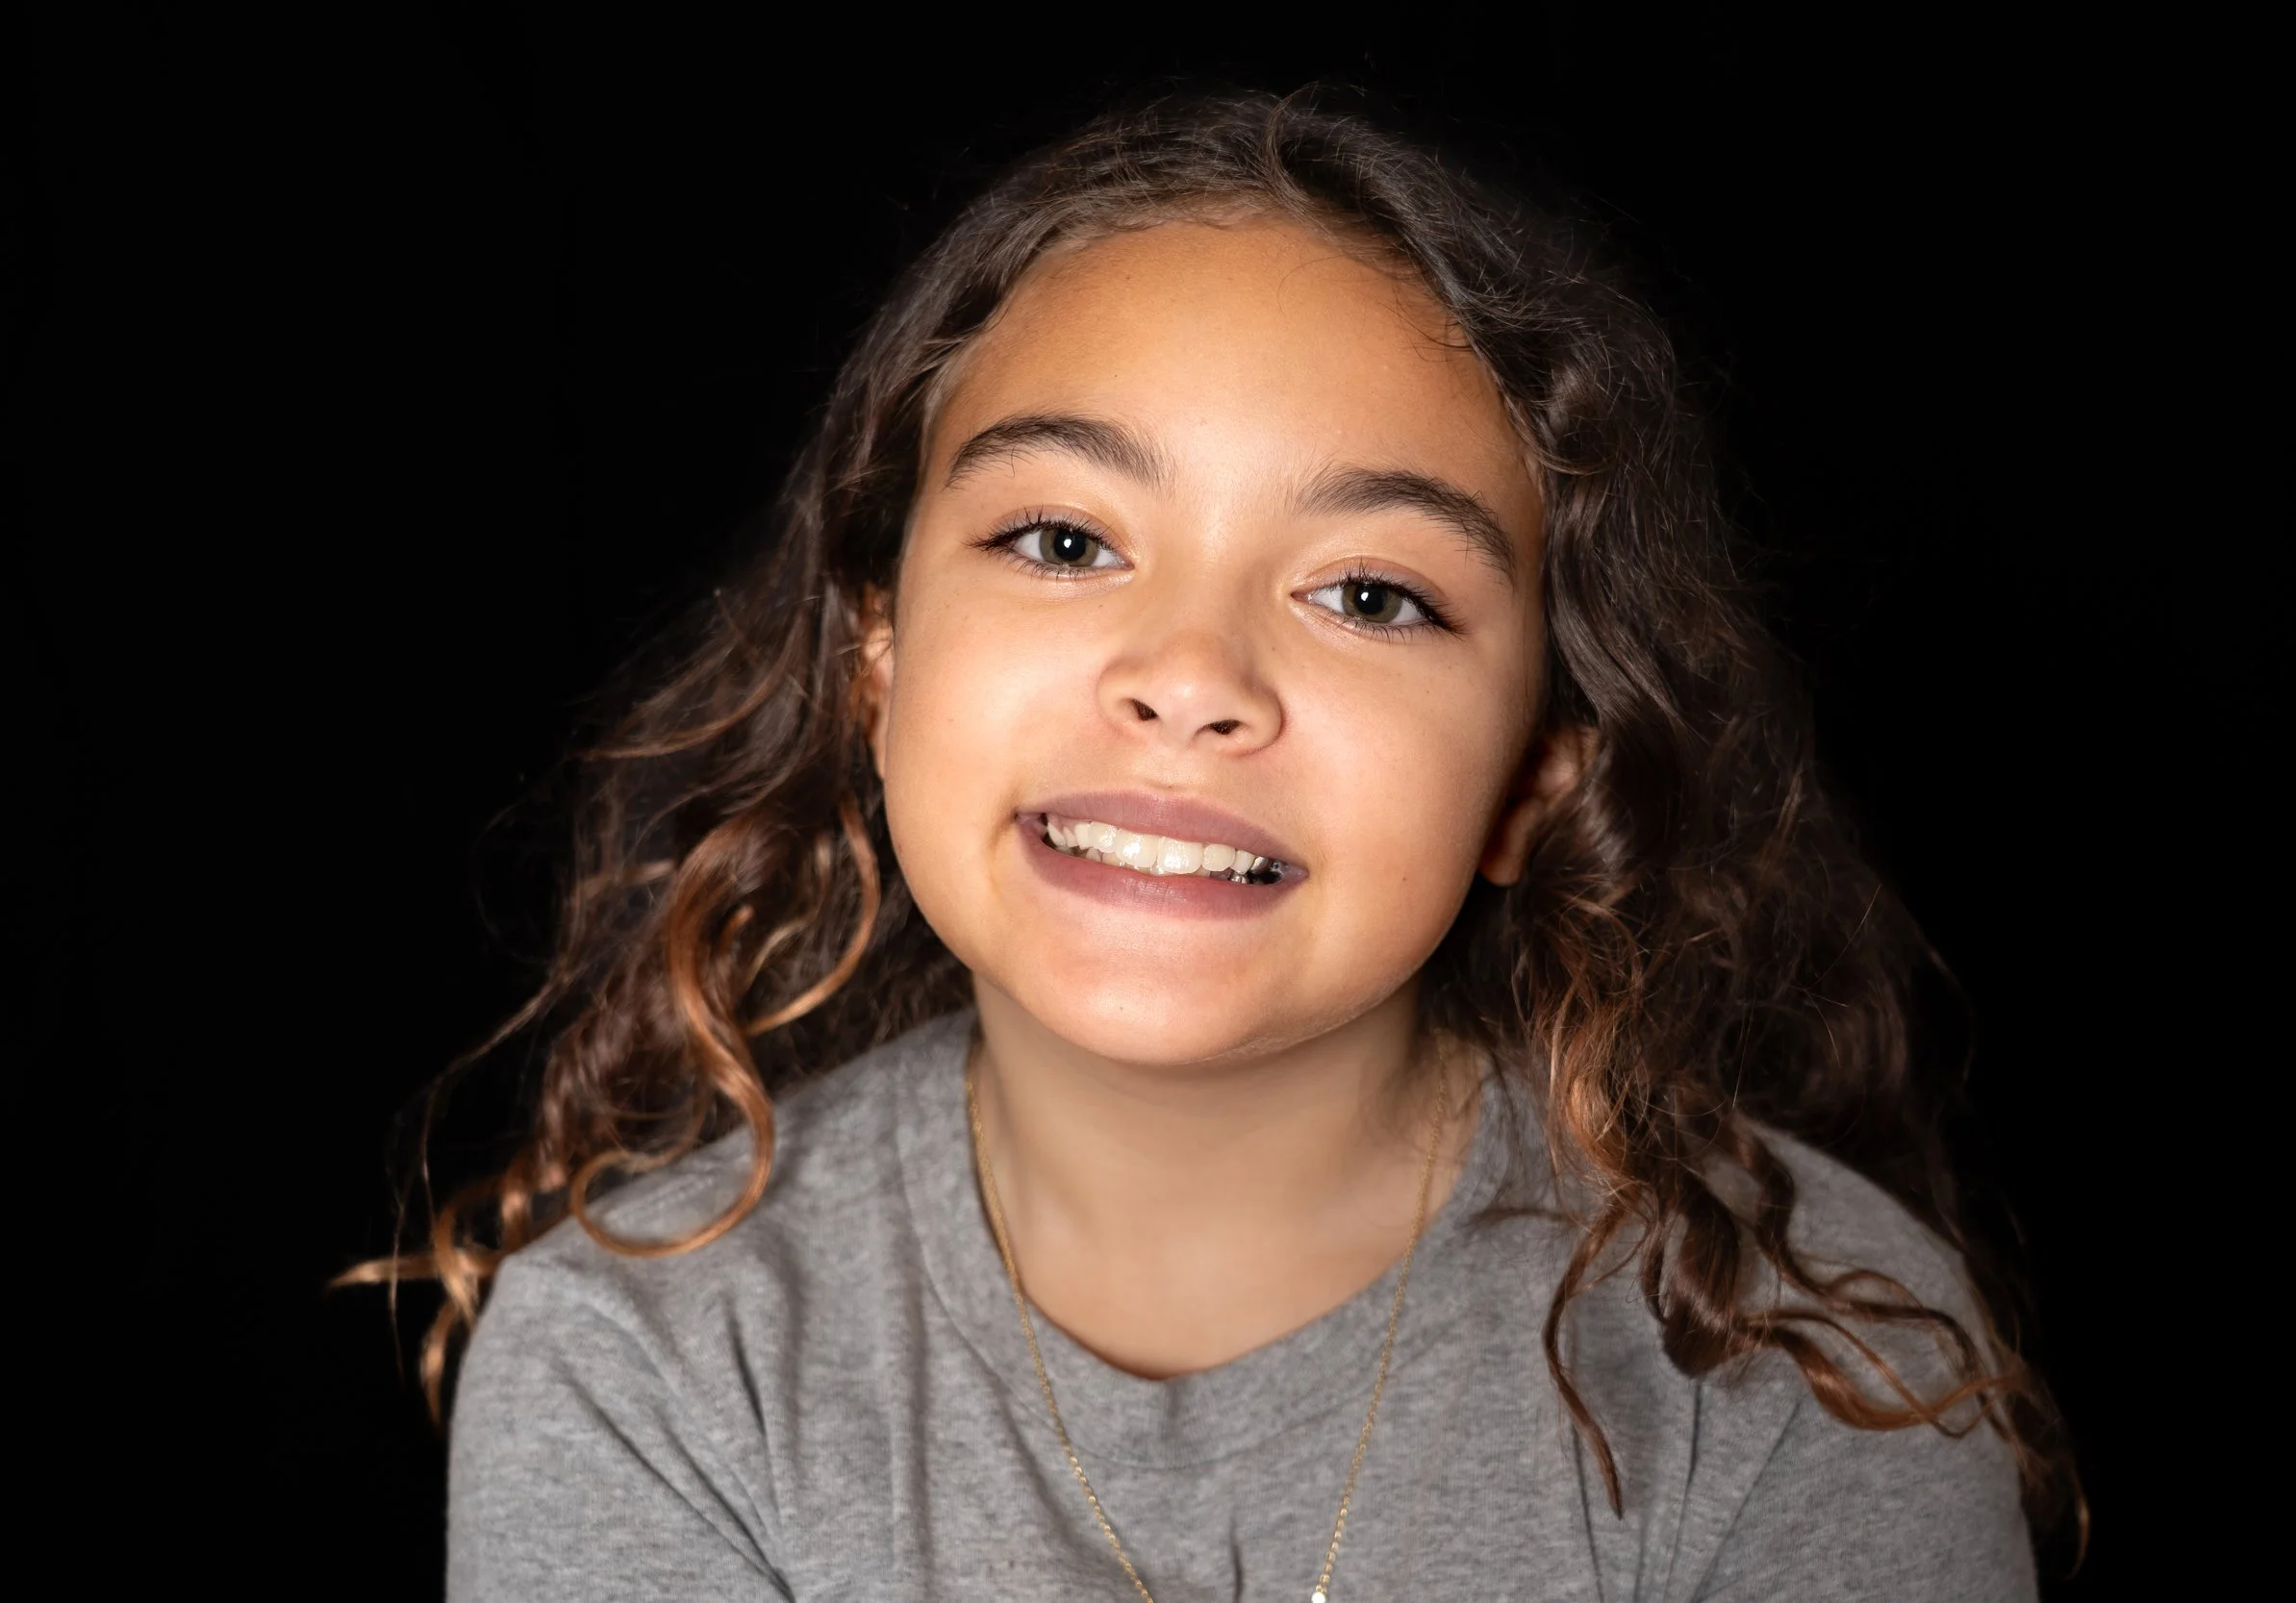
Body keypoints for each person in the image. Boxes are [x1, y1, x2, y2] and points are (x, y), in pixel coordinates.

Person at [362, 89, 2077, 1600]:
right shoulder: (645, 1356)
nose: (1190, 678)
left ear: (1540, 775)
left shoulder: (1808, 1353)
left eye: (1371, 593)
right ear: (876, 658)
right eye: (1060, 537)